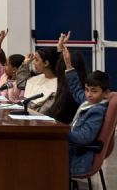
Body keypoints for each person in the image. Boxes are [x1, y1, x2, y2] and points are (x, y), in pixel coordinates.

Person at [62, 43, 110, 176]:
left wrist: (61, 132)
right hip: (72, 152)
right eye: (87, 90)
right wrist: (68, 65)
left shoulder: (97, 111)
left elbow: (83, 138)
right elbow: (76, 89)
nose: (89, 94)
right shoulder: (90, 102)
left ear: (105, 93)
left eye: (94, 91)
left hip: (77, 159)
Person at [50, 32, 88, 124]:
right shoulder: (84, 84)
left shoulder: (70, 95)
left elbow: (75, 87)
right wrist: (60, 48)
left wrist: (68, 65)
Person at [16, 46, 59, 114]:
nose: (33, 63)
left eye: (36, 60)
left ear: (46, 63)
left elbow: (43, 111)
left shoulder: (58, 84)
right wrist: (25, 63)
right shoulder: (38, 78)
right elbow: (21, 83)